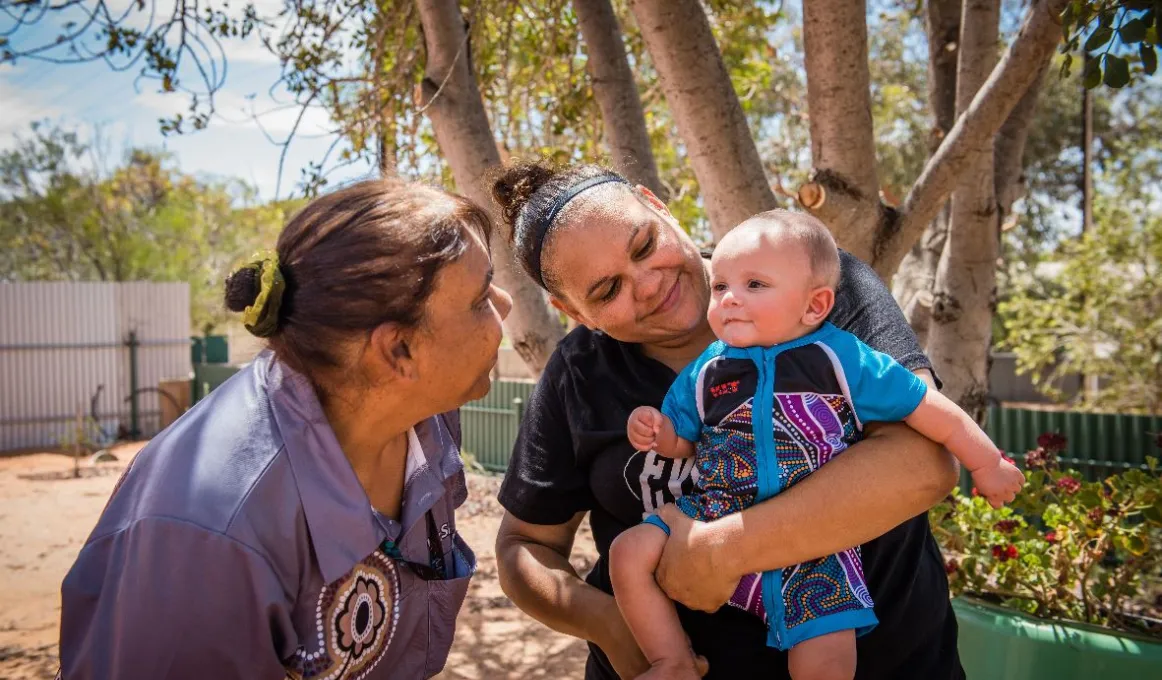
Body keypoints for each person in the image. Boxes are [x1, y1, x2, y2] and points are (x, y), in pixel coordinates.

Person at [490, 160, 966, 680]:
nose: (648, 285)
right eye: (607, 291)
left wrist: (723, 551)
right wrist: (612, 626)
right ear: (576, 312)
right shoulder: (578, 373)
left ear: (657, 204)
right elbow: (525, 546)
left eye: (645, 245)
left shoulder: (806, 284)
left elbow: (925, 462)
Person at [57, 178, 513, 679]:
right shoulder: (212, 533)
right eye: (479, 298)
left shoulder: (427, 420)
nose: (506, 304)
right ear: (399, 351)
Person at [615, 211, 1025, 680]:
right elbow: (682, 441)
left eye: (754, 285)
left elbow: (928, 409)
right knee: (629, 553)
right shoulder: (708, 370)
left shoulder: (842, 358)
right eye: (721, 286)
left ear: (814, 306)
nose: (729, 299)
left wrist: (987, 463)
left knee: (826, 661)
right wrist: (655, 432)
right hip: (712, 516)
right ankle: (673, 660)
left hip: (814, 549)